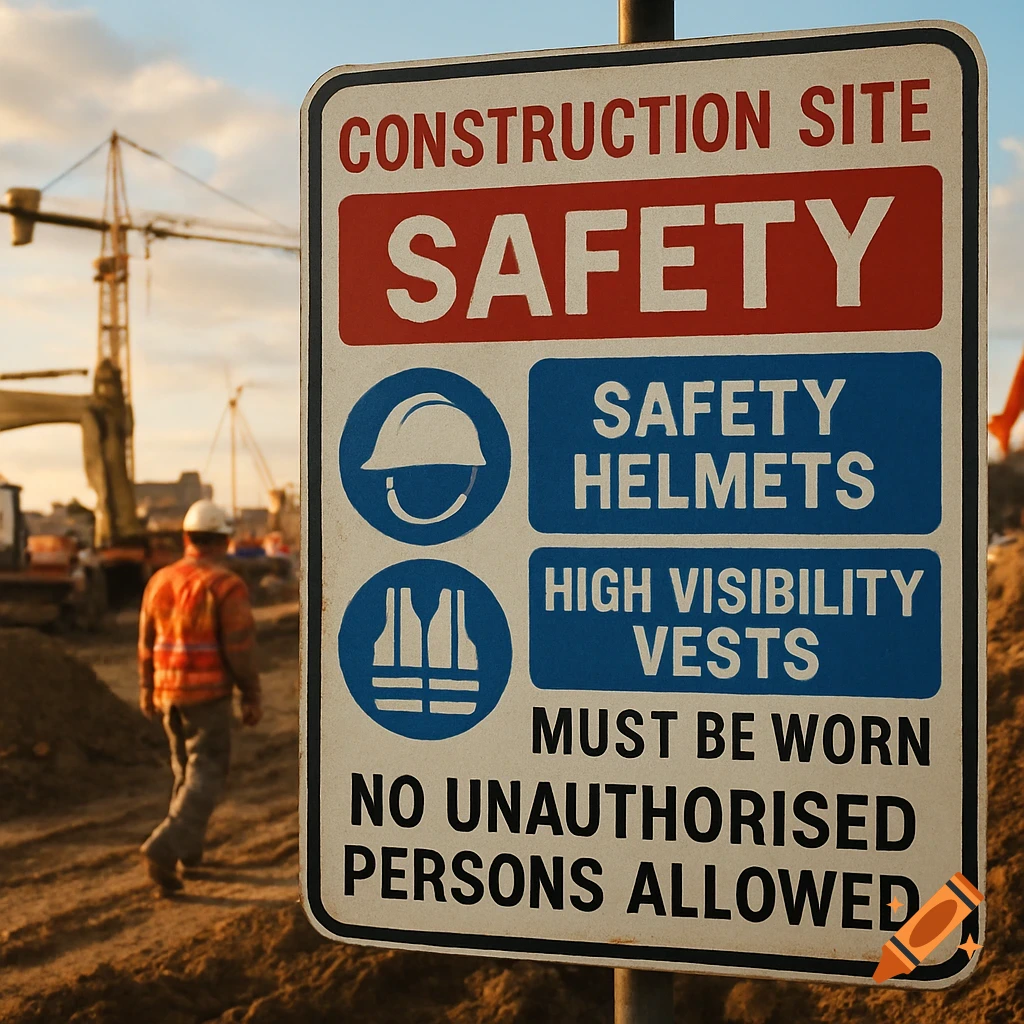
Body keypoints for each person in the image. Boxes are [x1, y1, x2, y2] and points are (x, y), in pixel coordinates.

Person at [137, 499, 262, 894]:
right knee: (206, 774)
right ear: (224, 540)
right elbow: (239, 646)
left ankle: (187, 851)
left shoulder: (159, 580)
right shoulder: (226, 585)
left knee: (184, 772)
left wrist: (146, 687)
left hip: (167, 694)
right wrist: (251, 692)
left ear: (186, 537)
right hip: (206, 695)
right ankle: (165, 845)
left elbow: (146, 643)